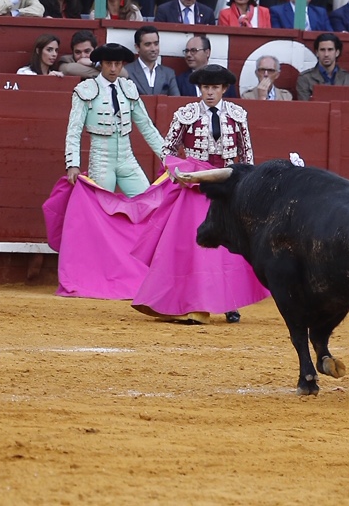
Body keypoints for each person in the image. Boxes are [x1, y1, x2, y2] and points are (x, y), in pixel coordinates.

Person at [130, 63, 266, 324]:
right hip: (195, 189)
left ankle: (230, 302)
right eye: (205, 87)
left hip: (228, 186)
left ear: (224, 88)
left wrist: (247, 184)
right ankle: (198, 301)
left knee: (230, 248)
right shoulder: (186, 114)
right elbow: (167, 150)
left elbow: (247, 154)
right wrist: (180, 172)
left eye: (215, 87)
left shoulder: (238, 115)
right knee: (200, 249)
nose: (210, 92)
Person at [64, 41, 165, 196]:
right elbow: (74, 130)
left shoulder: (128, 88)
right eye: (108, 63)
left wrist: (167, 158)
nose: (113, 69)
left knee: (148, 200)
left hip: (127, 158)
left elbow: (147, 127)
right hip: (101, 161)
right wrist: (73, 164)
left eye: (117, 64)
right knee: (102, 210)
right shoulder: (86, 90)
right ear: (100, 64)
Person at [294, 32, 349, 101]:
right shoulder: (305, 78)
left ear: (337, 52)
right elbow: (305, 107)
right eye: (322, 50)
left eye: (330, 50)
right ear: (317, 53)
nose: (326, 54)